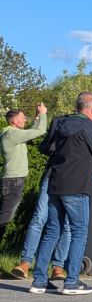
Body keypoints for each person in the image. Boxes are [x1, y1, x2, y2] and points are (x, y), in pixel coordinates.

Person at [30, 92, 92, 296]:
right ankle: (71, 282)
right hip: (77, 187)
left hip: (55, 183)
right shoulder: (90, 127)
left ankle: (39, 280)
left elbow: (48, 148)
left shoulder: (60, 124)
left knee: (52, 231)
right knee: (79, 232)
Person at [1, 104, 48, 243]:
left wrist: (37, 117)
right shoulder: (11, 134)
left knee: (4, 217)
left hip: (12, 180)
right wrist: (43, 114)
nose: (25, 120)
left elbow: (31, 132)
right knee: (4, 219)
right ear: (14, 121)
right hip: (12, 181)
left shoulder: (12, 134)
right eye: (22, 118)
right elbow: (40, 130)